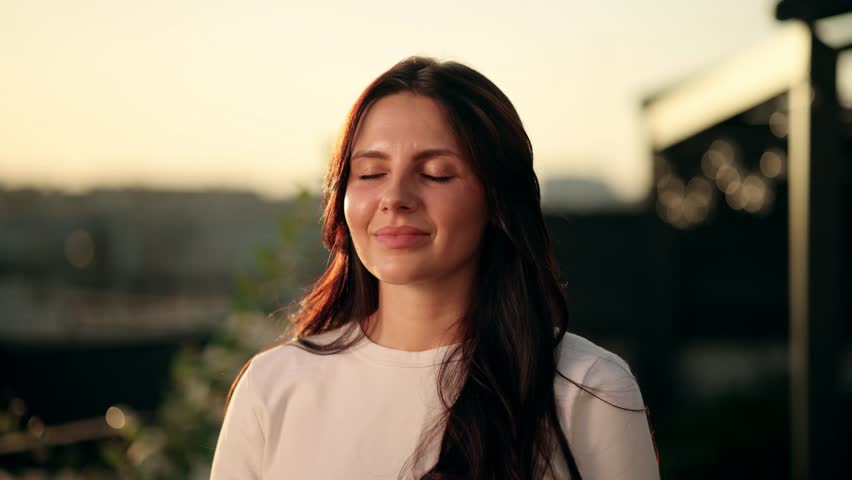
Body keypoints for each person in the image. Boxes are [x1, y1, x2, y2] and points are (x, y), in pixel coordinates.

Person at [210, 56, 660, 480]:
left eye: (437, 174)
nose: (395, 197)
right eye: (369, 173)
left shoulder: (588, 390)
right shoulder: (271, 388)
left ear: (499, 202)